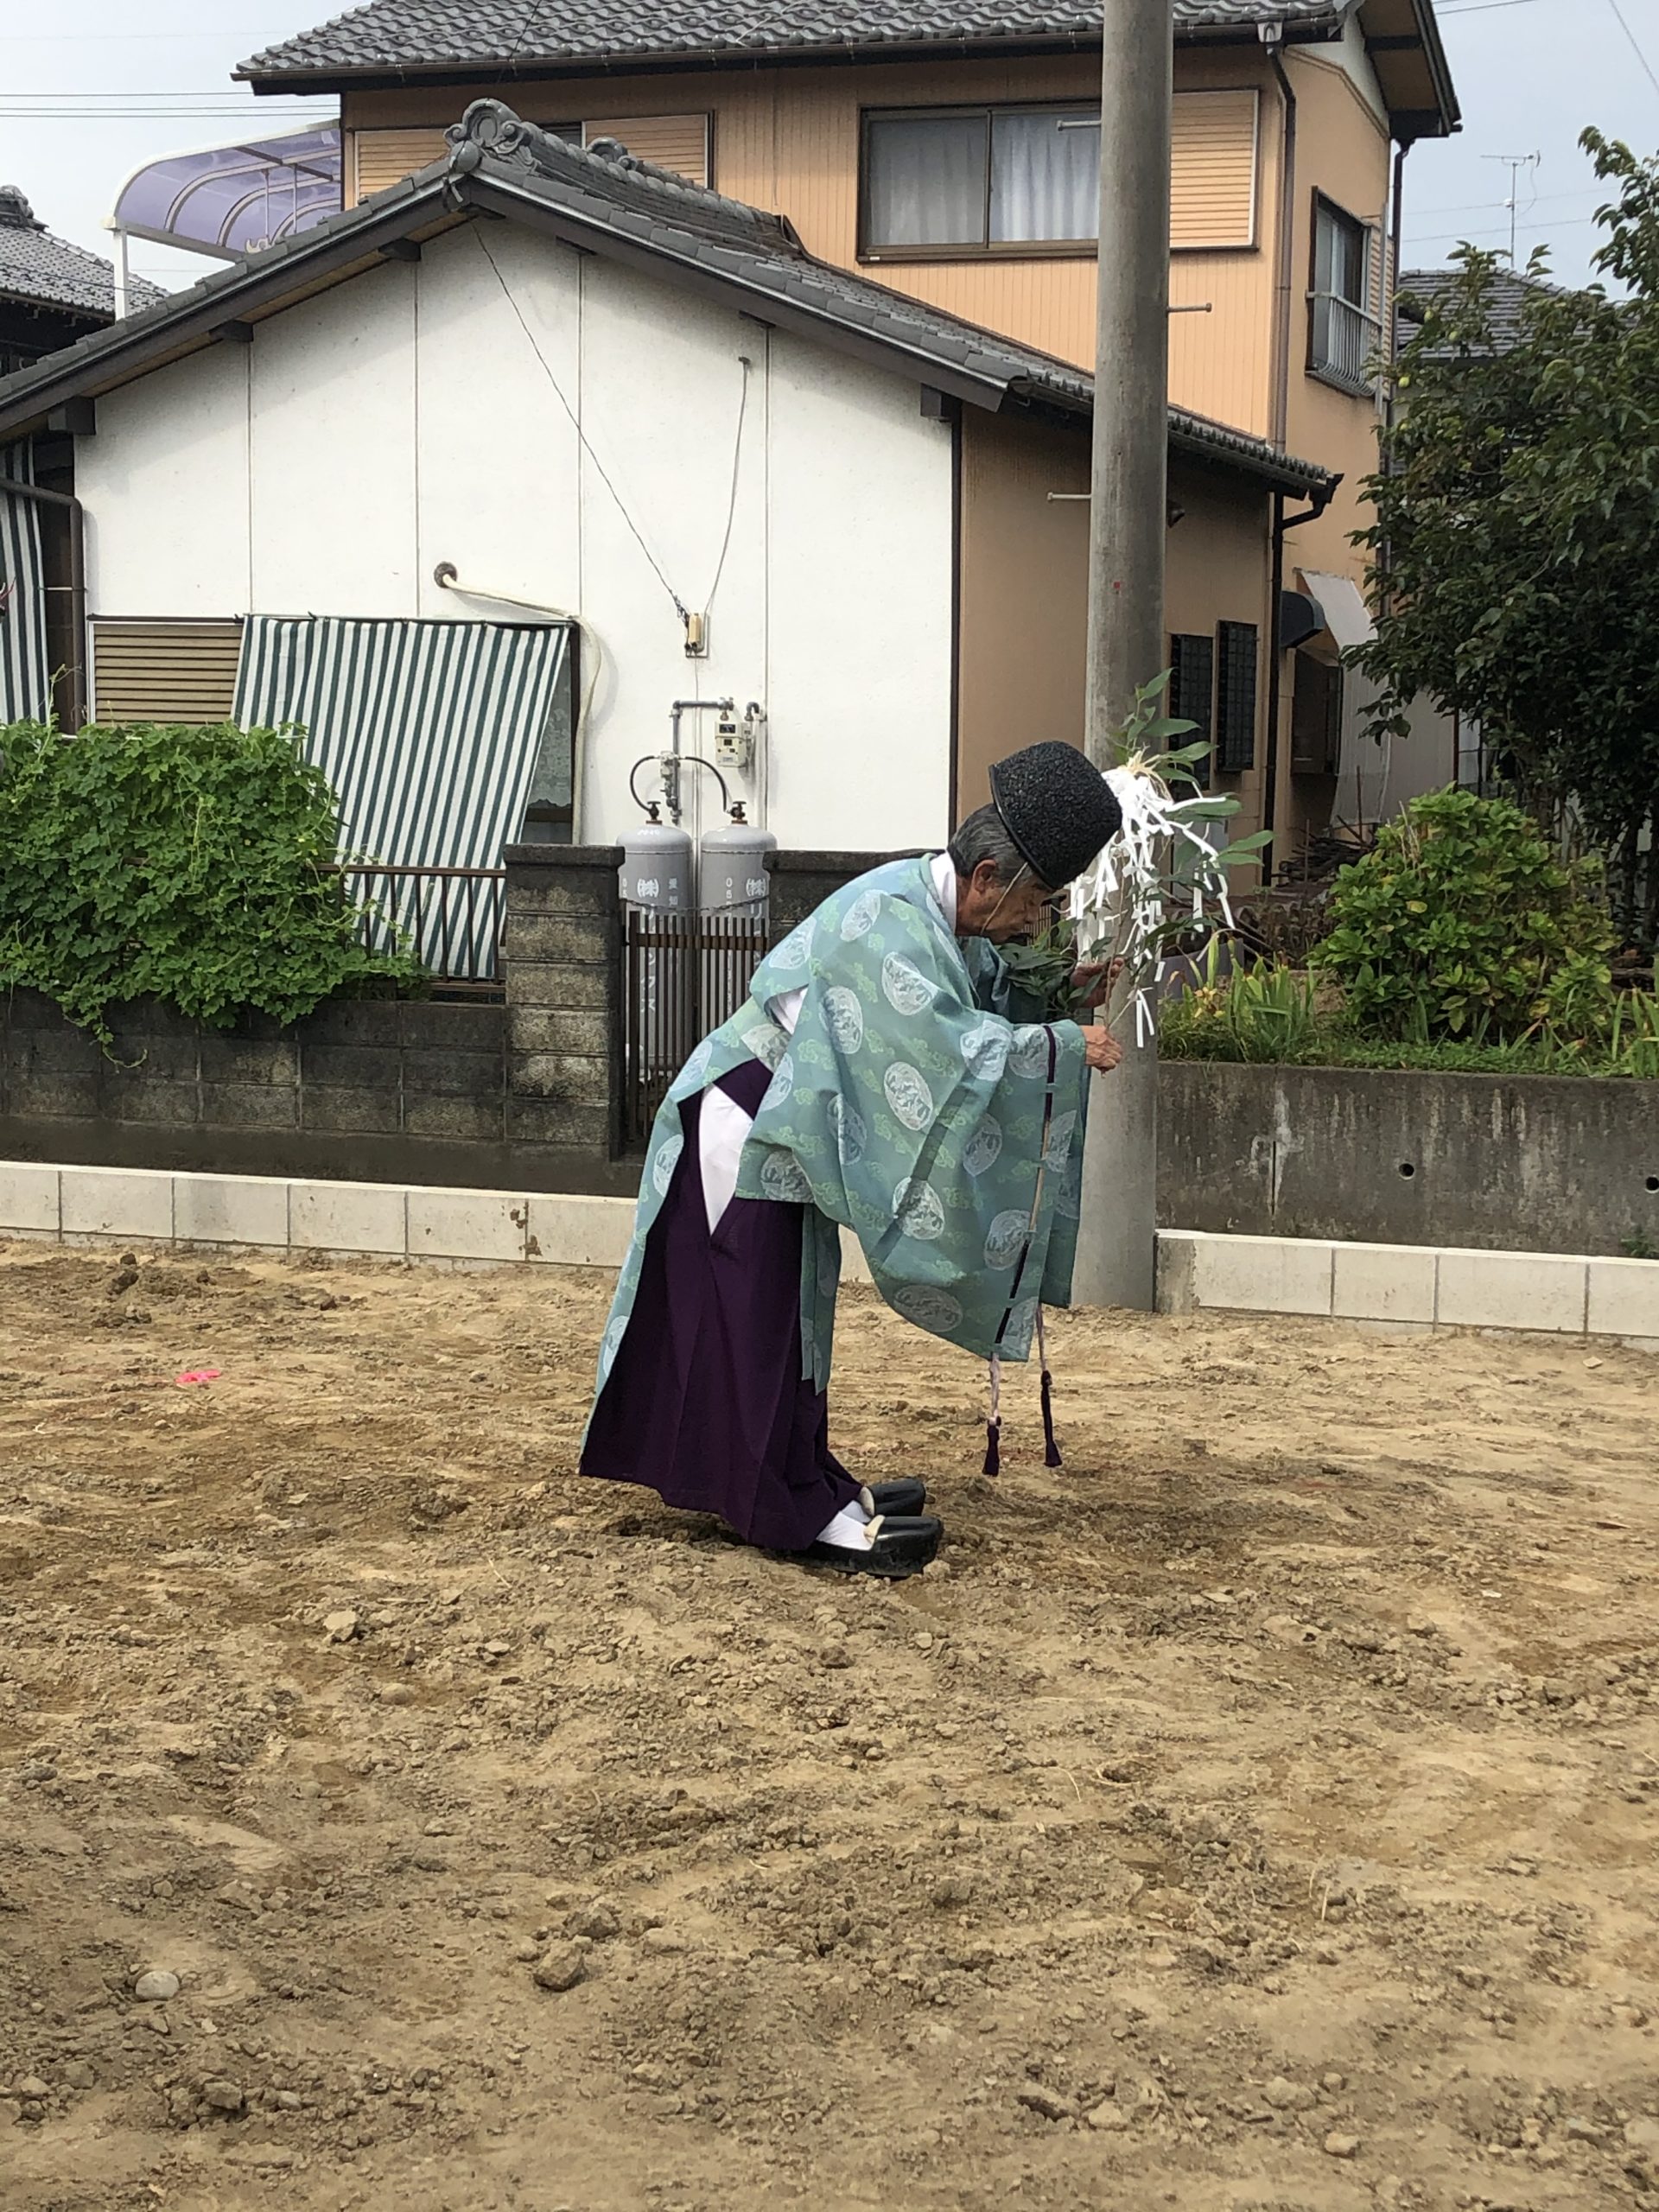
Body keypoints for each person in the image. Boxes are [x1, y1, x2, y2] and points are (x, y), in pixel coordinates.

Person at [582, 741, 1124, 1578]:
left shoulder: (927, 912)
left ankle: (806, 1479)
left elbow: (971, 1001)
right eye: (1039, 903)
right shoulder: (891, 924)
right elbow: (948, 1048)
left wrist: (1061, 997)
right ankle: (788, 1508)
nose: (1038, 922)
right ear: (987, 878)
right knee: (758, 1320)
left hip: (781, 1121)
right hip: (748, 1122)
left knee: (795, 1316)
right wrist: (1057, 1046)